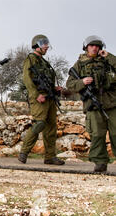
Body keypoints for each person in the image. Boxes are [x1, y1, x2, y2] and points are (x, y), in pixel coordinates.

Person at [66, 36, 116, 173]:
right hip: (92, 105)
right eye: (92, 45)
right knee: (97, 134)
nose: (95, 48)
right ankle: (100, 162)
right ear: (86, 47)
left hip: (111, 103)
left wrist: (110, 56)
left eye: (97, 46)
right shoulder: (80, 64)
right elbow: (70, 84)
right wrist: (82, 82)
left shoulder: (108, 61)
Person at [18, 35, 65, 165]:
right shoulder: (31, 59)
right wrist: (36, 94)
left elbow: (45, 79)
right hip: (39, 98)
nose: (46, 46)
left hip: (49, 97)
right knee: (39, 124)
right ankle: (24, 152)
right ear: (36, 45)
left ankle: (50, 156)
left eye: (47, 43)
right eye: (44, 43)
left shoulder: (44, 62)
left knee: (51, 128)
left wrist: (54, 88)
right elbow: (27, 79)